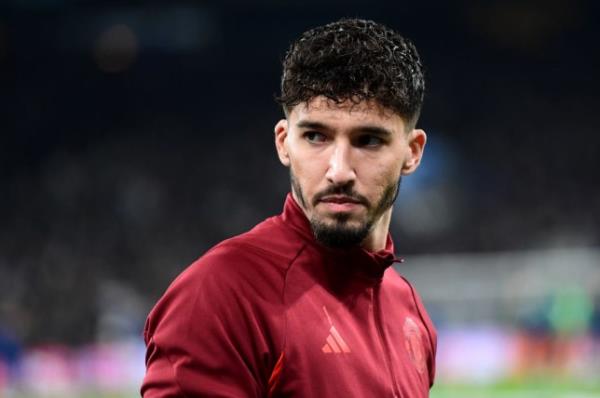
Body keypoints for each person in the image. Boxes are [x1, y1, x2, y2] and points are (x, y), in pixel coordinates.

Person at [142, 18, 436, 398]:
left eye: (368, 140)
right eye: (316, 136)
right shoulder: (221, 295)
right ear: (284, 142)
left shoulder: (408, 308)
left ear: (412, 153)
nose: (339, 171)